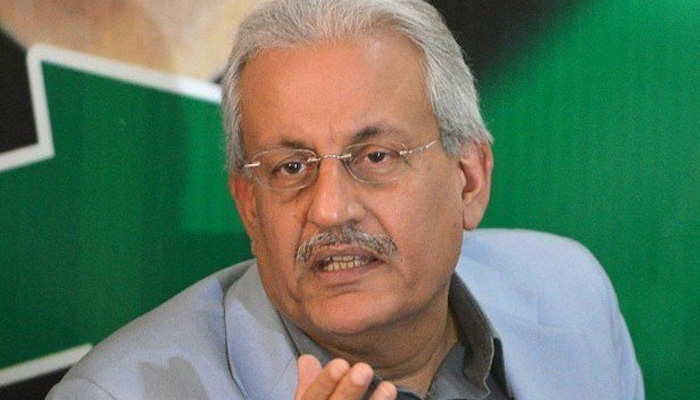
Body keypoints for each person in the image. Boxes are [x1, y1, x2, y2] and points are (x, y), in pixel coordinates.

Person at [47, 0, 644, 399]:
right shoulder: (116, 394)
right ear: (250, 206)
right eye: (290, 168)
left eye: (375, 157)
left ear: (468, 179)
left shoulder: (572, 294)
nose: (329, 210)